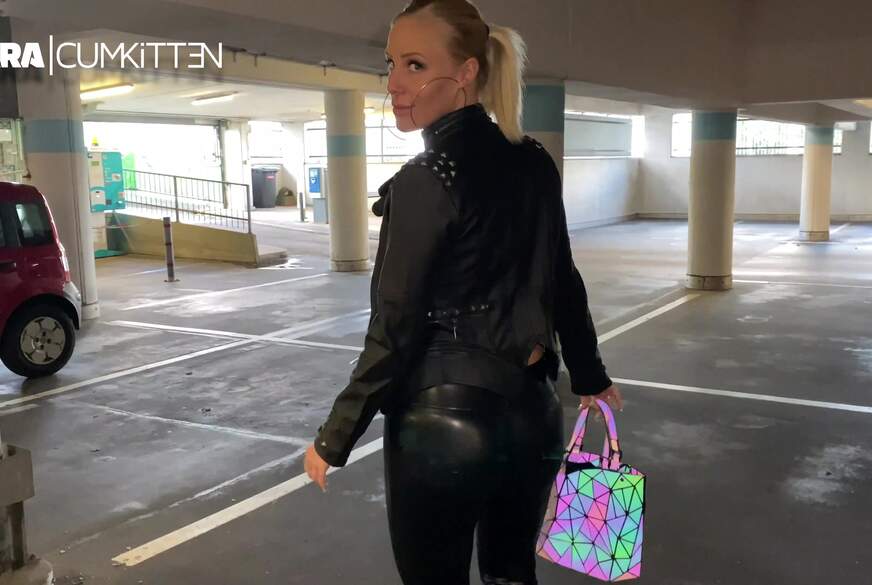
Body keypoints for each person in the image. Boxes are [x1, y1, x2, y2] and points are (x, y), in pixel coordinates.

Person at [304, 1, 623, 583]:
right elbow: (562, 278)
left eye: (416, 65)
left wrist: (335, 436)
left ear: (468, 71)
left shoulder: (426, 179)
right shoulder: (533, 160)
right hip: (534, 413)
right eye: (392, 64)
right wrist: (590, 376)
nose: (395, 84)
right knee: (512, 575)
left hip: (441, 424)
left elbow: (394, 327)